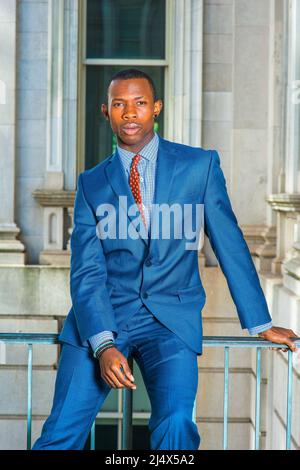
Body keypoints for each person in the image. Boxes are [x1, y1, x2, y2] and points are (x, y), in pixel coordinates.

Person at [32, 68, 298, 451]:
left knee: (176, 426)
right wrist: (104, 344)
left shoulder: (199, 166)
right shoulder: (91, 183)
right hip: (101, 319)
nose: (129, 113)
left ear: (156, 108)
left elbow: (230, 245)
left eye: (139, 103)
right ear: (105, 112)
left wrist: (260, 322)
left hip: (170, 322)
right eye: (119, 104)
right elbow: (87, 270)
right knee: (60, 436)